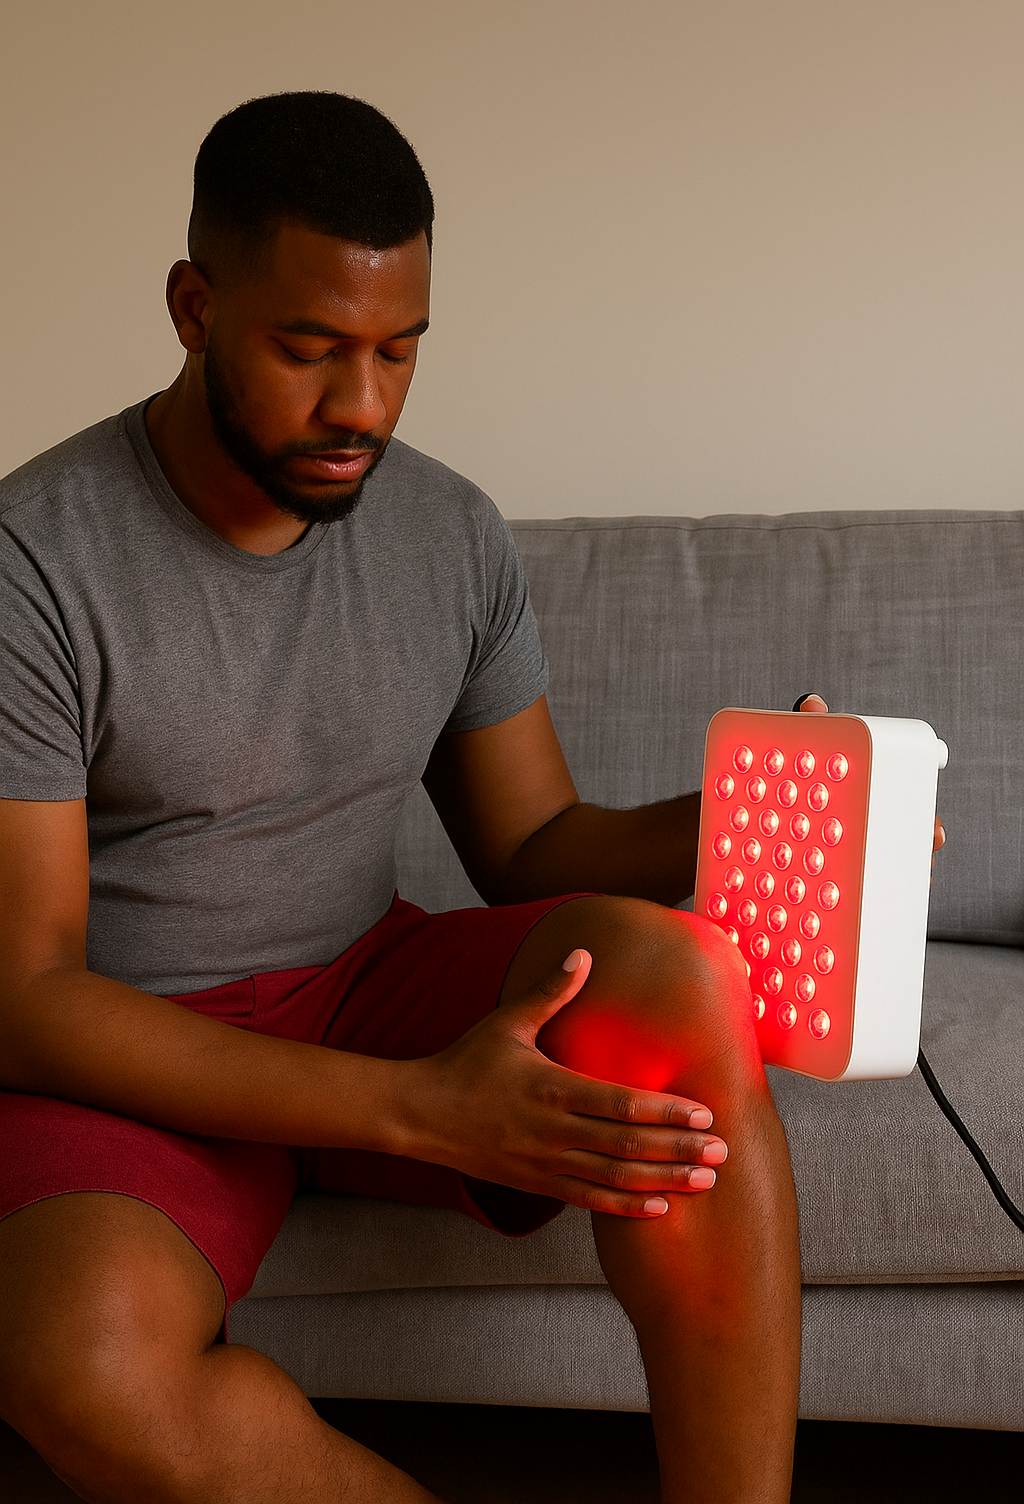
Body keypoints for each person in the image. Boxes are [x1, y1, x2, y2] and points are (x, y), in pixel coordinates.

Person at [0, 92, 804, 1504]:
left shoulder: (449, 534)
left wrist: (765, 806)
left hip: (357, 976)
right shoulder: (35, 559)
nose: (361, 406)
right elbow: (31, 992)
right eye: (309, 350)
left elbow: (534, 846)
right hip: (134, 1044)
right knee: (85, 1365)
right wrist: (417, 1108)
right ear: (194, 308)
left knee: (678, 974)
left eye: (399, 351)